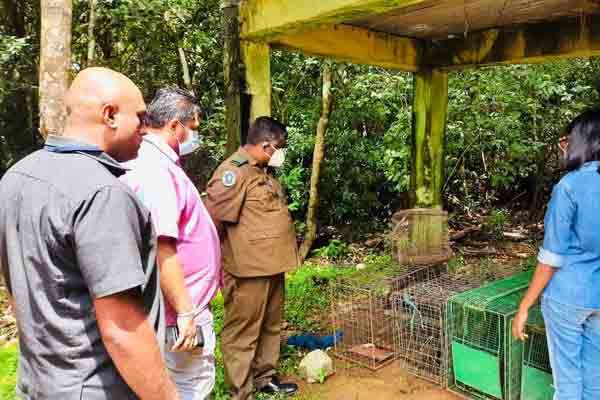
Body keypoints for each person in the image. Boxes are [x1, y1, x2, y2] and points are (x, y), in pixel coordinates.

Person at [0, 67, 178, 399]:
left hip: (38, 384)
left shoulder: (16, 176)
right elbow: (122, 327)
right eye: (140, 117)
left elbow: (17, 285)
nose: (145, 128)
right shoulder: (103, 193)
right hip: (97, 387)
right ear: (110, 115)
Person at [121, 86, 221, 400]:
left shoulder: (155, 163)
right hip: (177, 311)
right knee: (189, 388)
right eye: (193, 127)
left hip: (175, 307)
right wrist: (185, 314)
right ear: (175, 126)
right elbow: (162, 247)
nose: (196, 134)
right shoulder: (155, 170)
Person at [205, 116, 300, 400]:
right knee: (243, 332)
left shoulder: (263, 171)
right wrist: (218, 267)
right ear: (266, 145)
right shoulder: (232, 172)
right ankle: (241, 391)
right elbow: (212, 223)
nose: (281, 153)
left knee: (271, 325)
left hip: (272, 265)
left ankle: (264, 378)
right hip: (246, 271)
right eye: (280, 147)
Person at [513, 110, 600, 400]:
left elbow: (551, 257)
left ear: (582, 142)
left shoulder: (569, 186)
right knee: (595, 380)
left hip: (567, 297)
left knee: (567, 383)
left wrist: (525, 305)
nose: (564, 146)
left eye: (567, 140)